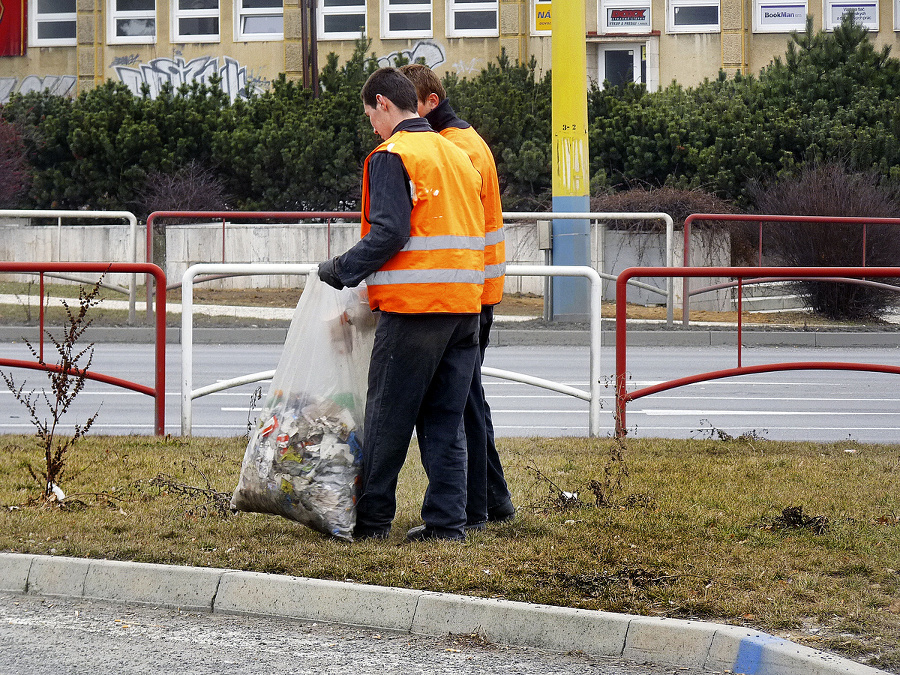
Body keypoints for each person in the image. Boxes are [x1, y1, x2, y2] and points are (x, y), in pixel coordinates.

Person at [317, 67, 486, 542]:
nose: (372, 125)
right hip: (464, 307)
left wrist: (339, 268)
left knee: (389, 417)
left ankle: (371, 525)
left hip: (416, 309)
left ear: (384, 105)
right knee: (444, 423)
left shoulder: (392, 155)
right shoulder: (455, 154)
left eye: (371, 114)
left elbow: (390, 232)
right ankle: (447, 525)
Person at [399, 64, 515, 528]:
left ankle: (476, 509)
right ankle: (493, 501)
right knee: (468, 399)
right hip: (475, 288)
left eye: (412, 107)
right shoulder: (463, 139)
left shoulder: (454, 146)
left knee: (461, 403)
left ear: (429, 102)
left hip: (466, 293)